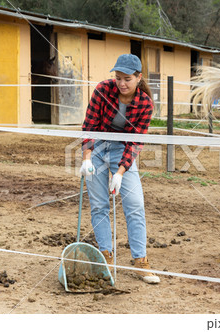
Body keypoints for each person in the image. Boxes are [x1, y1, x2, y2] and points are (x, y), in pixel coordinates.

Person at [80, 54, 160, 284]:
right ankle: (105, 256)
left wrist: (121, 172)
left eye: (127, 79)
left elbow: (135, 141)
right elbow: (90, 125)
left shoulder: (145, 103)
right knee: (99, 204)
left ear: (138, 78)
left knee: (135, 204)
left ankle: (141, 261)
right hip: (96, 147)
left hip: (122, 149)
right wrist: (87, 157)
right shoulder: (103, 90)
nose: (121, 83)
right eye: (118, 78)